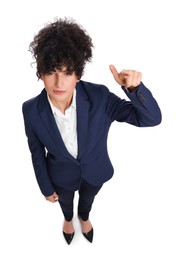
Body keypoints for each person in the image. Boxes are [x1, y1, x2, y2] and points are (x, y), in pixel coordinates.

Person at [22, 17, 162, 245]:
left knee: (87, 199)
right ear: (40, 72)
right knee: (66, 203)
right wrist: (45, 188)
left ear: (78, 74)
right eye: (51, 72)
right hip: (60, 176)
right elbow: (36, 152)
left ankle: (84, 217)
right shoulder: (30, 110)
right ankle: (68, 218)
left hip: (96, 170)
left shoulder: (100, 97)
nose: (59, 83)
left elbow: (151, 119)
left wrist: (134, 89)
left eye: (67, 73)